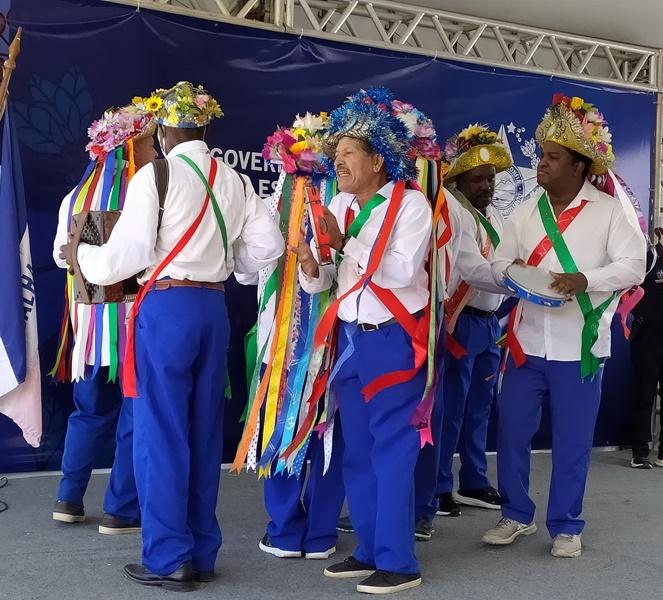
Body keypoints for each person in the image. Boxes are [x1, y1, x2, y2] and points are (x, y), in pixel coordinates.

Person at [61, 82, 284, 591]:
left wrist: (83, 258)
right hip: (214, 307)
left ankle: (167, 558)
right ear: (205, 128)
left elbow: (126, 256)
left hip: (166, 308)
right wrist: (230, 265)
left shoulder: (154, 176)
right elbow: (267, 249)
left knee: (161, 434)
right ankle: (202, 552)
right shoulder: (235, 178)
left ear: (164, 131)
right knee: (205, 434)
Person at [484, 94, 646, 558]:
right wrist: (509, 271)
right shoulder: (525, 209)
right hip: (525, 343)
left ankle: (566, 525)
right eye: (542, 156)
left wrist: (585, 280)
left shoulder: (609, 211)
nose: (542, 165)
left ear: (579, 166)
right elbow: (497, 262)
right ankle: (516, 515)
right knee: (512, 432)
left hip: (580, 346)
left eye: (553, 158)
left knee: (573, 441)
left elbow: (635, 265)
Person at [291, 87, 431, 594]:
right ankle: (370, 549)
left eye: (348, 152)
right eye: (336, 152)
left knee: (392, 450)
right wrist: (313, 265)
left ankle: (399, 561)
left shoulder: (410, 206)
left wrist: (342, 240)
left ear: (378, 159)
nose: (338, 160)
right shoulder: (343, 203)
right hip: (350, 340)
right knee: (357, 451)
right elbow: (331, 279)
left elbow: (399, 270)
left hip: (394, 339)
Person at [236, 112, 345, 559]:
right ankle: (309, 532)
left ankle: (296, 531)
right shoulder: (335, 206)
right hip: (302, 338)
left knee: (307, 424)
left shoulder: (313, 206)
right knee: (312, 427)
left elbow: (247, 273)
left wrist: (306, 268)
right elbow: (250, 275)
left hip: (314, 339)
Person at [52, 104, 156, 534]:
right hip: (135, 320)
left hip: (91, 323)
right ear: (130, 149)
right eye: (150, 143)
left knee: (88, 411)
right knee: (134, 410)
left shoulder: (73, 198)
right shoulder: (146, 193)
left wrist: (81, 258)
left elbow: (61, 257)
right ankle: (120, 509)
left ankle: (68, 497)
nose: (156, 150)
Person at [435, 126, 511, 516]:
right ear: (457, 179)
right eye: (478, 179)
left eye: (491, 178)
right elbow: (473, 268)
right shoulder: (450, 209)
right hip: (459, 320)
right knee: (450, 407)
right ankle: (439, 485)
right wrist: (517, 280)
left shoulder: (496, 215)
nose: (486, 186)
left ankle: (475, 481)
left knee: (481, 406)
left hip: (489, 323)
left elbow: (504, 262)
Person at [628, 219, 663, 468]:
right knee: (644, 395)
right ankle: (640, 452)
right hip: (648, 338)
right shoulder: (649, 256)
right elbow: (629, 289)